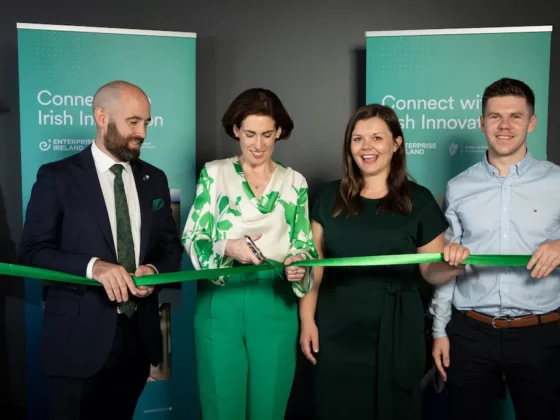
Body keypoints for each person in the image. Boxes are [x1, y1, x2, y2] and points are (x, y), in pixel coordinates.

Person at [19, 80, 183, 419]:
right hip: (75, 344)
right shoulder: (57, 177)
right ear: (101, 116)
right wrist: (94, 267)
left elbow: (169, 246)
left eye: (146, 123)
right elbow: (33, 251)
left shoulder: (155, 178)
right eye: (133, 122)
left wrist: (154, 271)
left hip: (138, 341)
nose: (142, 133)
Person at [299, 104, 470, 420]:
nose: (366, 147)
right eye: (358, 138)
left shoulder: (418, 200)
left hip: (398, 328)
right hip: (336, 328)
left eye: (377, 138)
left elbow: (430, 272)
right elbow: (315, 267)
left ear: (397, 143)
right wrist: (307, 320)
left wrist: (454, 264)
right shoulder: (326, 197)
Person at [182, 88, 317, 420]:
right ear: (236, 131)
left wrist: (298, 267)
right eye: (251, 134)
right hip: (220, 301)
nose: (258, 144)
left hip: (273, 302)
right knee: (220, 409)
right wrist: (226, 247)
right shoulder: (213, 173)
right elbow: (192, 236)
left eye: (267, 134)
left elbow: (304, 248)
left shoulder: (295, 182)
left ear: (279, 132)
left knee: (268, 410)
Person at [429, 77, 560, 420]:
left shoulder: (557, 182)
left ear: (531, 122)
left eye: (515, 116)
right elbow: (448, 264)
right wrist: (440, 330)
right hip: (472, 333)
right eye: (494, 116)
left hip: (541, 334)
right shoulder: (458, 188)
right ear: (481, 122)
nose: (504, 126)